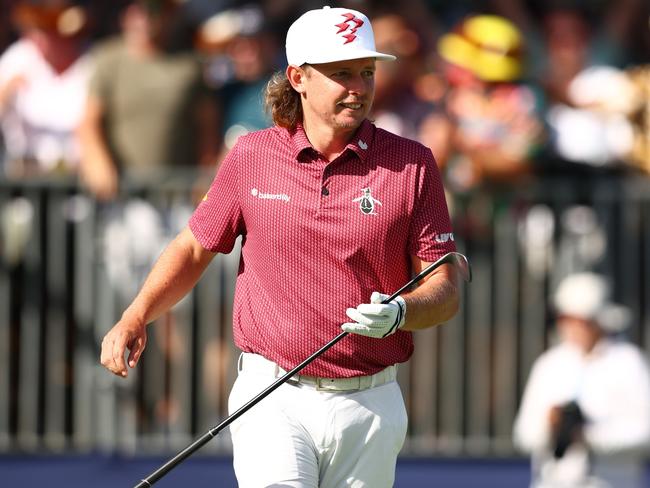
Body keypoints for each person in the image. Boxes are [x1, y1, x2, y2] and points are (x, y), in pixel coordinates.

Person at [100, 6, 461, 487]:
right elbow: (193, 248)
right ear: (299, 77)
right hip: (272, 394)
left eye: (367, 72)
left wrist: (401, 312)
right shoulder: (252, 156)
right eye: (341, 74)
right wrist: (136, 313)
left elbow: (445, 287)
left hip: (371, 403)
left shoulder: (413, 163)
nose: (358, 87)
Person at [513, 272, 650, 488]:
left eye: (579, 320)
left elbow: (644, 431)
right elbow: (524, 434)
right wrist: (551, 425)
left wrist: (588, 436)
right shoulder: (549, 364)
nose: (570, 327)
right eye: (565, 319)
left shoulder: (629, 363)